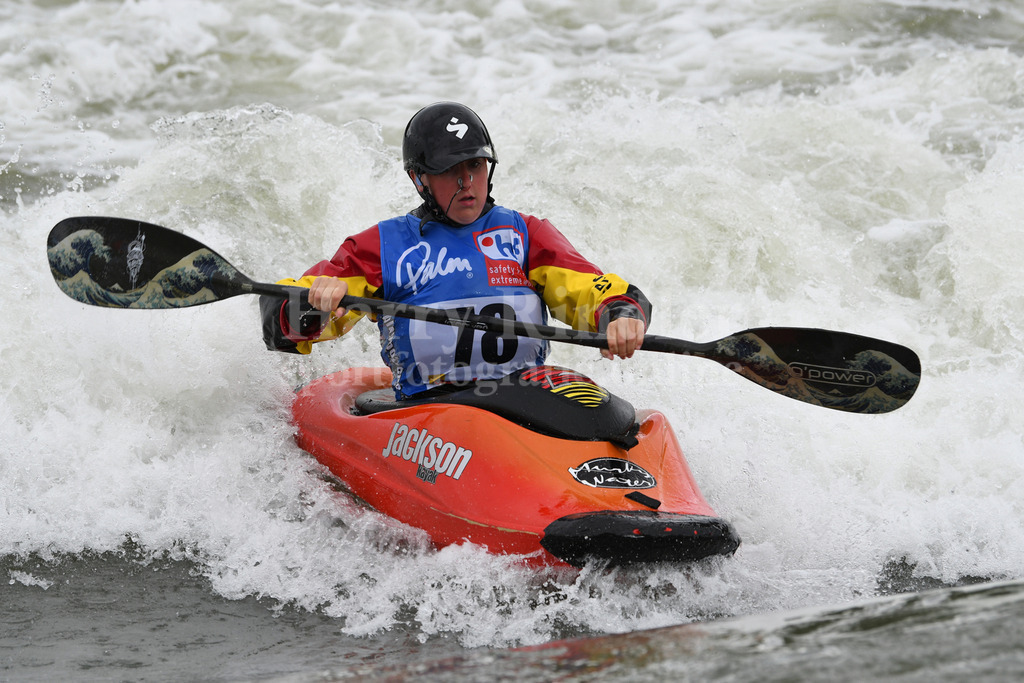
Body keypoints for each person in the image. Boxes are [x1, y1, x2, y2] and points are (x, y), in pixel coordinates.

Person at [261, 102, 651, 400]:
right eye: (450, 170)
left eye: (476, 165)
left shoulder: (527, 235)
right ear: (419, 179)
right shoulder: (383, 246)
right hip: (431, 415)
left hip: (523, 404)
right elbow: (279, 320)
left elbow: (592, 289)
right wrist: (314, 305)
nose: (467, 181)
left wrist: (620, 314)